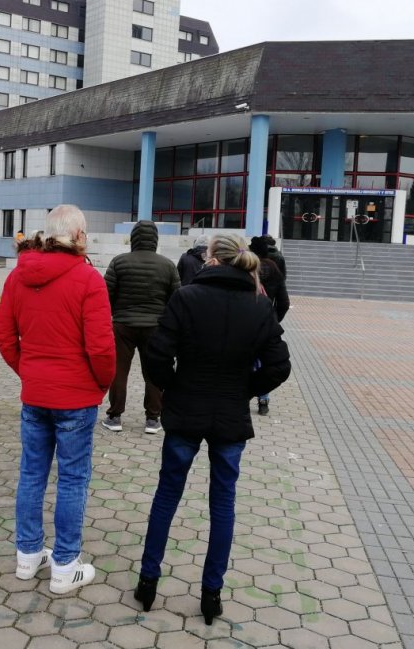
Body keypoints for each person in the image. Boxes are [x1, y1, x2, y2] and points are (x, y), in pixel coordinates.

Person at [134, 232, 291, 625]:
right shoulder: (259, 305)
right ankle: (211, 594)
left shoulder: (187, 297)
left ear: (212, 259)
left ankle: (148, 582)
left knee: (167, 495)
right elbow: (279, 366)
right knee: (222, 503)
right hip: (229, 416)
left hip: (186, 409)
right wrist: (245, 390)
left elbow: (156, 353)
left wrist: (172, 387)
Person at [0, 204, 116, 595]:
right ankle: (64, 564)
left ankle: (28, 555)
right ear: (78, 235)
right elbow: (101, 348)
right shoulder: (88, 278)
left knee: (32, 473)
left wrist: (29, 372)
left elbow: (3, 335)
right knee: (73, 478)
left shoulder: (18, 275)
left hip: (37, 395)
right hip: (75, 397)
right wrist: (101, 384)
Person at [102, 220, 180, 434]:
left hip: (122, 325)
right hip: (155, 327)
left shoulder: (119, 262)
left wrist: (115, 315)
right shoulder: (167, 265)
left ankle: (115, 416)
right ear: (155, 239)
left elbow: (105, 295)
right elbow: (176, 300)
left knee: (119, 371)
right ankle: (153, 419)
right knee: (153, 372)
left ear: (133, 238)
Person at [249, 236, 290, 416]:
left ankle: (242, 393)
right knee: (265, 359)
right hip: (267, 321)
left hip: (247, 319)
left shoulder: (248, 268)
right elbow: (284, 302)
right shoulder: (275, 269)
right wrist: (275, 319)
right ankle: (263, 399)